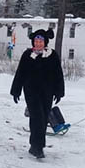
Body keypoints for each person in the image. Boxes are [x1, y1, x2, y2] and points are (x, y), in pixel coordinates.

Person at [10, 29, 65, 159]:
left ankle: (35, 145)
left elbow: (58, 74)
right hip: (31, 91)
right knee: (37, 117)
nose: (38, 43)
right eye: (36, 41)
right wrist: (16, 90)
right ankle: (37, 147)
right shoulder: (27, 55)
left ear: (45, 42)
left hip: (47, 92)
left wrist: (59, 91)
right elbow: (20, 73)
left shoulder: (52, 55)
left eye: (40, 41)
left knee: (44, 117)